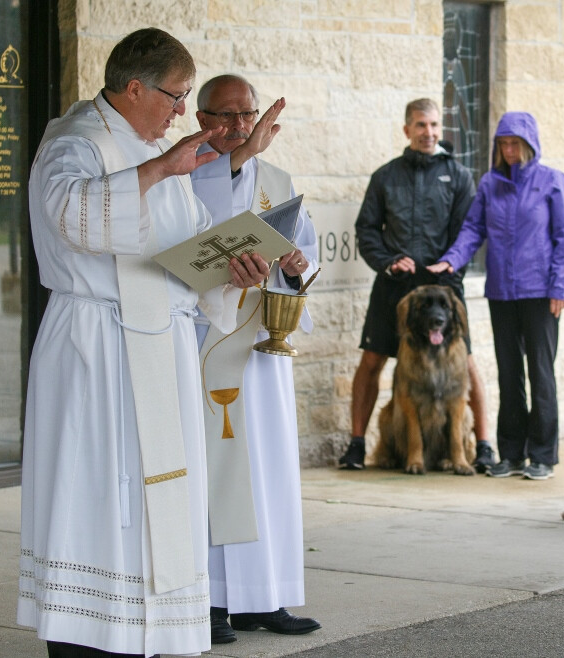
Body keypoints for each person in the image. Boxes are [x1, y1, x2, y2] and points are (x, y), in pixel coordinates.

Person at [19, 29, 269, 658]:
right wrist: (161, 167)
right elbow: (70, 213)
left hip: (160, 342)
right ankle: (85, 639)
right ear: (134, 87)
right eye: (177, 96)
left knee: (159, 499)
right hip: (96, 350)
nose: (183, 112)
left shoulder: (160, 146)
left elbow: (189, 241)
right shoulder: (73, 140)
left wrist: (240, 257)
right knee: (99, 491)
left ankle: (147, 633)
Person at [190, 74, 321, 644]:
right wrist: (240, 158)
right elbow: (196, 244)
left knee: (267, 471)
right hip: (212, 342)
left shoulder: (278, 179)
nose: (240, 126)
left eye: (248, 115)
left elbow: (309, 251)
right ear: (200, 119)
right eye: (227, 115)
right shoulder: (188, 173)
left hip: (265, 344)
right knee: (223, 472)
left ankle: (261, 597)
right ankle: (213, 601)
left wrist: (296, 264)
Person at [338, 98, 495, 472]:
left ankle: (485, 445)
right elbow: (366, 231)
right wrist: (389, 261)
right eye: (421, 125)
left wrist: (450, 262)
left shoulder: (457, 176)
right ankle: (357, 444)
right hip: (395, 285)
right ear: (407, 129)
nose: (429, 133)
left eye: (435, 126)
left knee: (467, 363)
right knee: (372, 360)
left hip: (442, 287)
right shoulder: (385, 176)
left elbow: (469, 231)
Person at [429, 111, 564, 480]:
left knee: (540, 373)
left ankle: (542, 455)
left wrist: (559, 286)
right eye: (503, 144)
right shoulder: (490, 184)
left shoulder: (551, 181)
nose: (509, 150)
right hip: (501, 293)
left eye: (515, 143)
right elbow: (472, 230)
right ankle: (511, 454)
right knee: (509, 374)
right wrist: (450, 261)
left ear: (529, 144)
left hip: (541, 293)